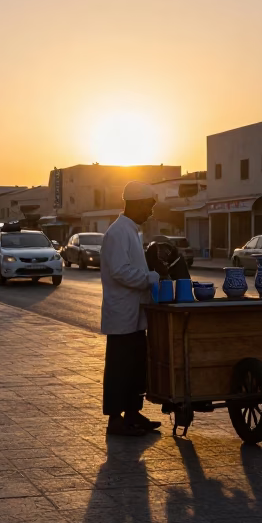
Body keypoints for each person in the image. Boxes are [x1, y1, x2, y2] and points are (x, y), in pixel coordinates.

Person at [98, 181, 165, 437]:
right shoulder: (118, 232)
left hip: (135, 312)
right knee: (119, 368)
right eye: (148, 206)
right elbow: (120, 271)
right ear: (136, 203)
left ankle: (133, 413)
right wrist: (150, 278)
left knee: (136, 366)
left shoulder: (133, 231)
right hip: (122, 313)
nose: (150, 212)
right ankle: (115, 420)